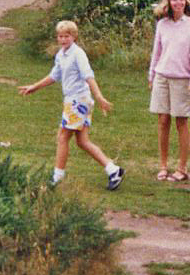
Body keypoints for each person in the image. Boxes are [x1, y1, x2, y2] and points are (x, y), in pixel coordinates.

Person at [18, 20, 123, 190]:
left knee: (62, 137)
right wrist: (34, 87)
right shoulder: (61, 54)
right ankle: (113, 170)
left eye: (66, 36)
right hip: (72, 100)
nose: (63, 39)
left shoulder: (78, 54)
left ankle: (57, 177)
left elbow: (89, 76)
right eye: (60, 36)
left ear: (73, 36)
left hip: (79, 100)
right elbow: (54, 75)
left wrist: (99, 96)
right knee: (82, 142)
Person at [147, 0, 190, 183]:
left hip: (182, 78)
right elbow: (157, 51)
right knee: (163, 121)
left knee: (181, 122)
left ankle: (182, 167)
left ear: (185, 2)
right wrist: (151, 75)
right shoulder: (162, 24)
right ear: (168, 3)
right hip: (162, 76)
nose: (178, 2)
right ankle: (163, 166)